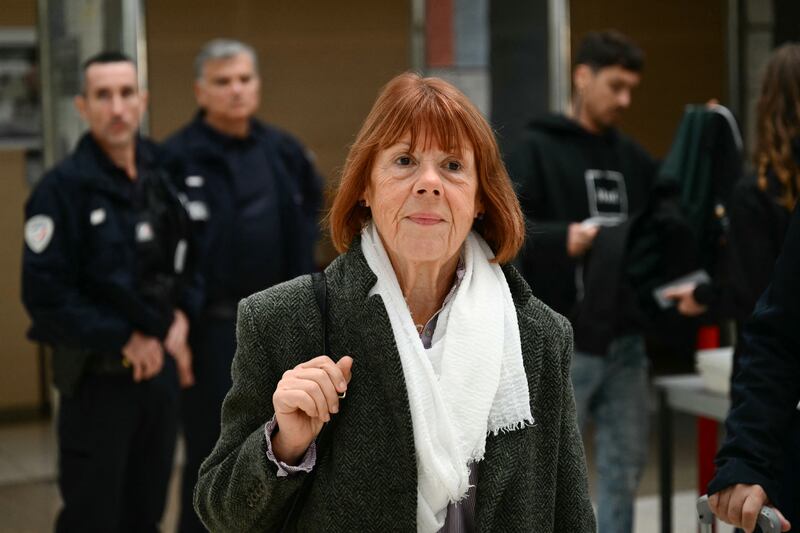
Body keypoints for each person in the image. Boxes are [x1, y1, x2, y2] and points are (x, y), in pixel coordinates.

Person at [194, 72, 596, 532]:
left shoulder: (538, 335)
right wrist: (283, 444)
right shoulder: (283, 321)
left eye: (453, 166)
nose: (429, 183)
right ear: (366, 187)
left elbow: (571, 516)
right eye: (404, 161)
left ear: (481, 198)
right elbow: (220, 513)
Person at [21, 51, 199, 532]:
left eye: (126, 93)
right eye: (103, 95)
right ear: (82, 106)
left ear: (143, 101)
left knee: (146, 514)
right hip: (98, 383)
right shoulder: (61, 190)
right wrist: (124, 337)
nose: (116, 107)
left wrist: (183, 315)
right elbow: (45, 297)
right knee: (93, 518)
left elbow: (192, 256)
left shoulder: (165, 171)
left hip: (158, 380)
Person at [162, 39, 323, 532]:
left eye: (244, 79)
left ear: (257, 85)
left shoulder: (284, 152)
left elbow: (312, 224)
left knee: (284, 447)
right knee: (211, 454)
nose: (235, 90)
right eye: (222, 81)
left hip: (282, 323)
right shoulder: (173, 159)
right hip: (210, 332)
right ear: (200, 90)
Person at [507, 30, 657, 533]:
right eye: (616, 86)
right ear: (582, 76)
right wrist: (564, 239)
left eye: (631, 89)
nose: (625, 100)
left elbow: (660, 228)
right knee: (546, 473)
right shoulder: (536, 148)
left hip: (626, 339)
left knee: (623, 470)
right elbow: (506, 230)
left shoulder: (632, 158)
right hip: (562, 338)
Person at [682, 43, 800, 533]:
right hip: (773, 402)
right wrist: (748, 457)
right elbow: (776, 323)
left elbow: (751, 296)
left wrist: (703, 297)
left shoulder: (757, 191)